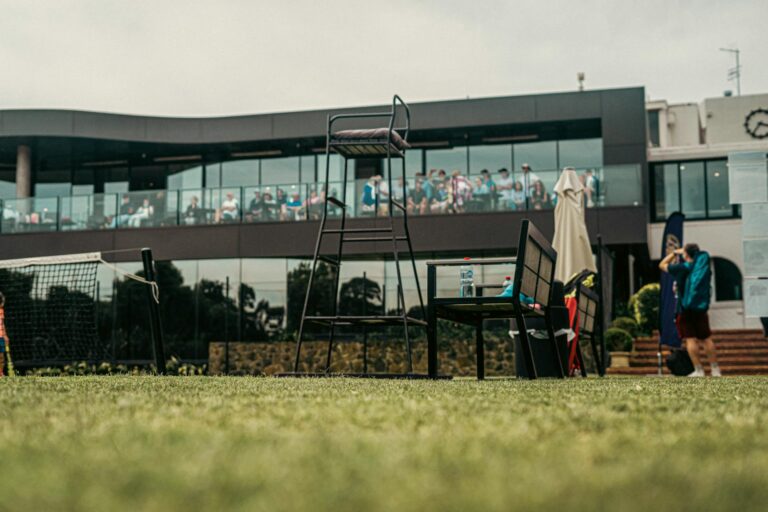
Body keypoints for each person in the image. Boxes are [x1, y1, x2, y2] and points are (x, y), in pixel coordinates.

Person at [660, 243, 721, 377]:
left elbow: (662, 265)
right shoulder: (703, 268)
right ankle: (715, 370)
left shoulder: (682, 267)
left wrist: (675, 253)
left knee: (690, 339)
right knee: (706, 339)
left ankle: (699, 370)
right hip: (700, 308)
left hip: (684, 309)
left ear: (685, 254)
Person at [0, 292, 7, 377]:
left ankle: (0, 373)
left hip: (0, 337)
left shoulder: (1, 311)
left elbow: (2, 324)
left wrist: (5, 336)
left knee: (1, 357)